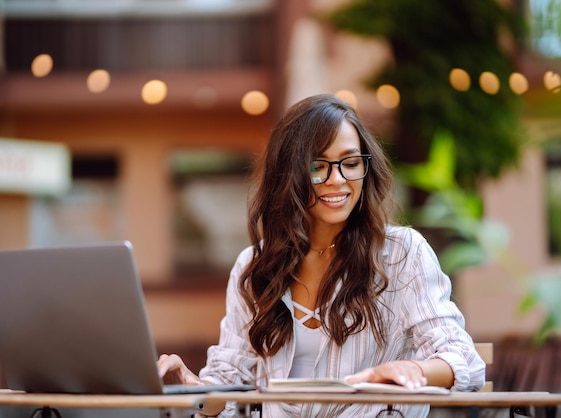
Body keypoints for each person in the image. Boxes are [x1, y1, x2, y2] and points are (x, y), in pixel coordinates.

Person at [158, 94, 486, 417]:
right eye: (318, 166)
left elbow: (462, 358)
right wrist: (191, 388)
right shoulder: (255, 266)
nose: (337, 179)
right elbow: (227, 390)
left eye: (351, 162)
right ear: (289, 175)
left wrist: (414, 369)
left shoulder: (402, 253)